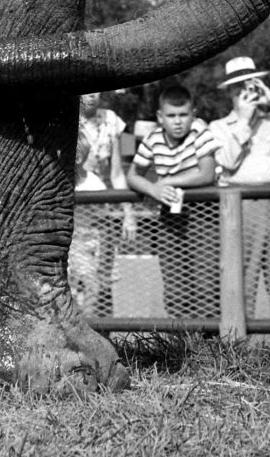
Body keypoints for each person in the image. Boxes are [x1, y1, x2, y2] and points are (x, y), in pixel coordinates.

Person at [209, 57, 270, 319]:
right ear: (229, 92)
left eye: (249, 85)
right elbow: (225, 161)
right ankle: (240, 349)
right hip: (239, 203)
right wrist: (244, 123)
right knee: (241, 281)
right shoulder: (219, 126)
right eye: (238, 88)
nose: (245, 93)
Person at [128, 84, 219, 318]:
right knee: (174, 280)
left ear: (193, 114)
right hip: (170, 215)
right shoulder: (153, 138)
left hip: (203, 215)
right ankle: (181, 341)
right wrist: (154, 189)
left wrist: (166, 181)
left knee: (206, 281)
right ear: (160, 117)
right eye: (171, 116)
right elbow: (132, 175)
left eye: (183, 115)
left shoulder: (201, 132)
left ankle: (211, 342)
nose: (177, 122)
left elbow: (206, 173)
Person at [68, 93, 136, 315]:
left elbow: (117, 173)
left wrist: (128, 213)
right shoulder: (65, 116)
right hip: (72, 206)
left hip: (101, 210)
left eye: (97, 90)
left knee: (102, 277)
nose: (92, 94)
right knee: (74, 280)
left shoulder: (111, 120)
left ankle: (104, 331)